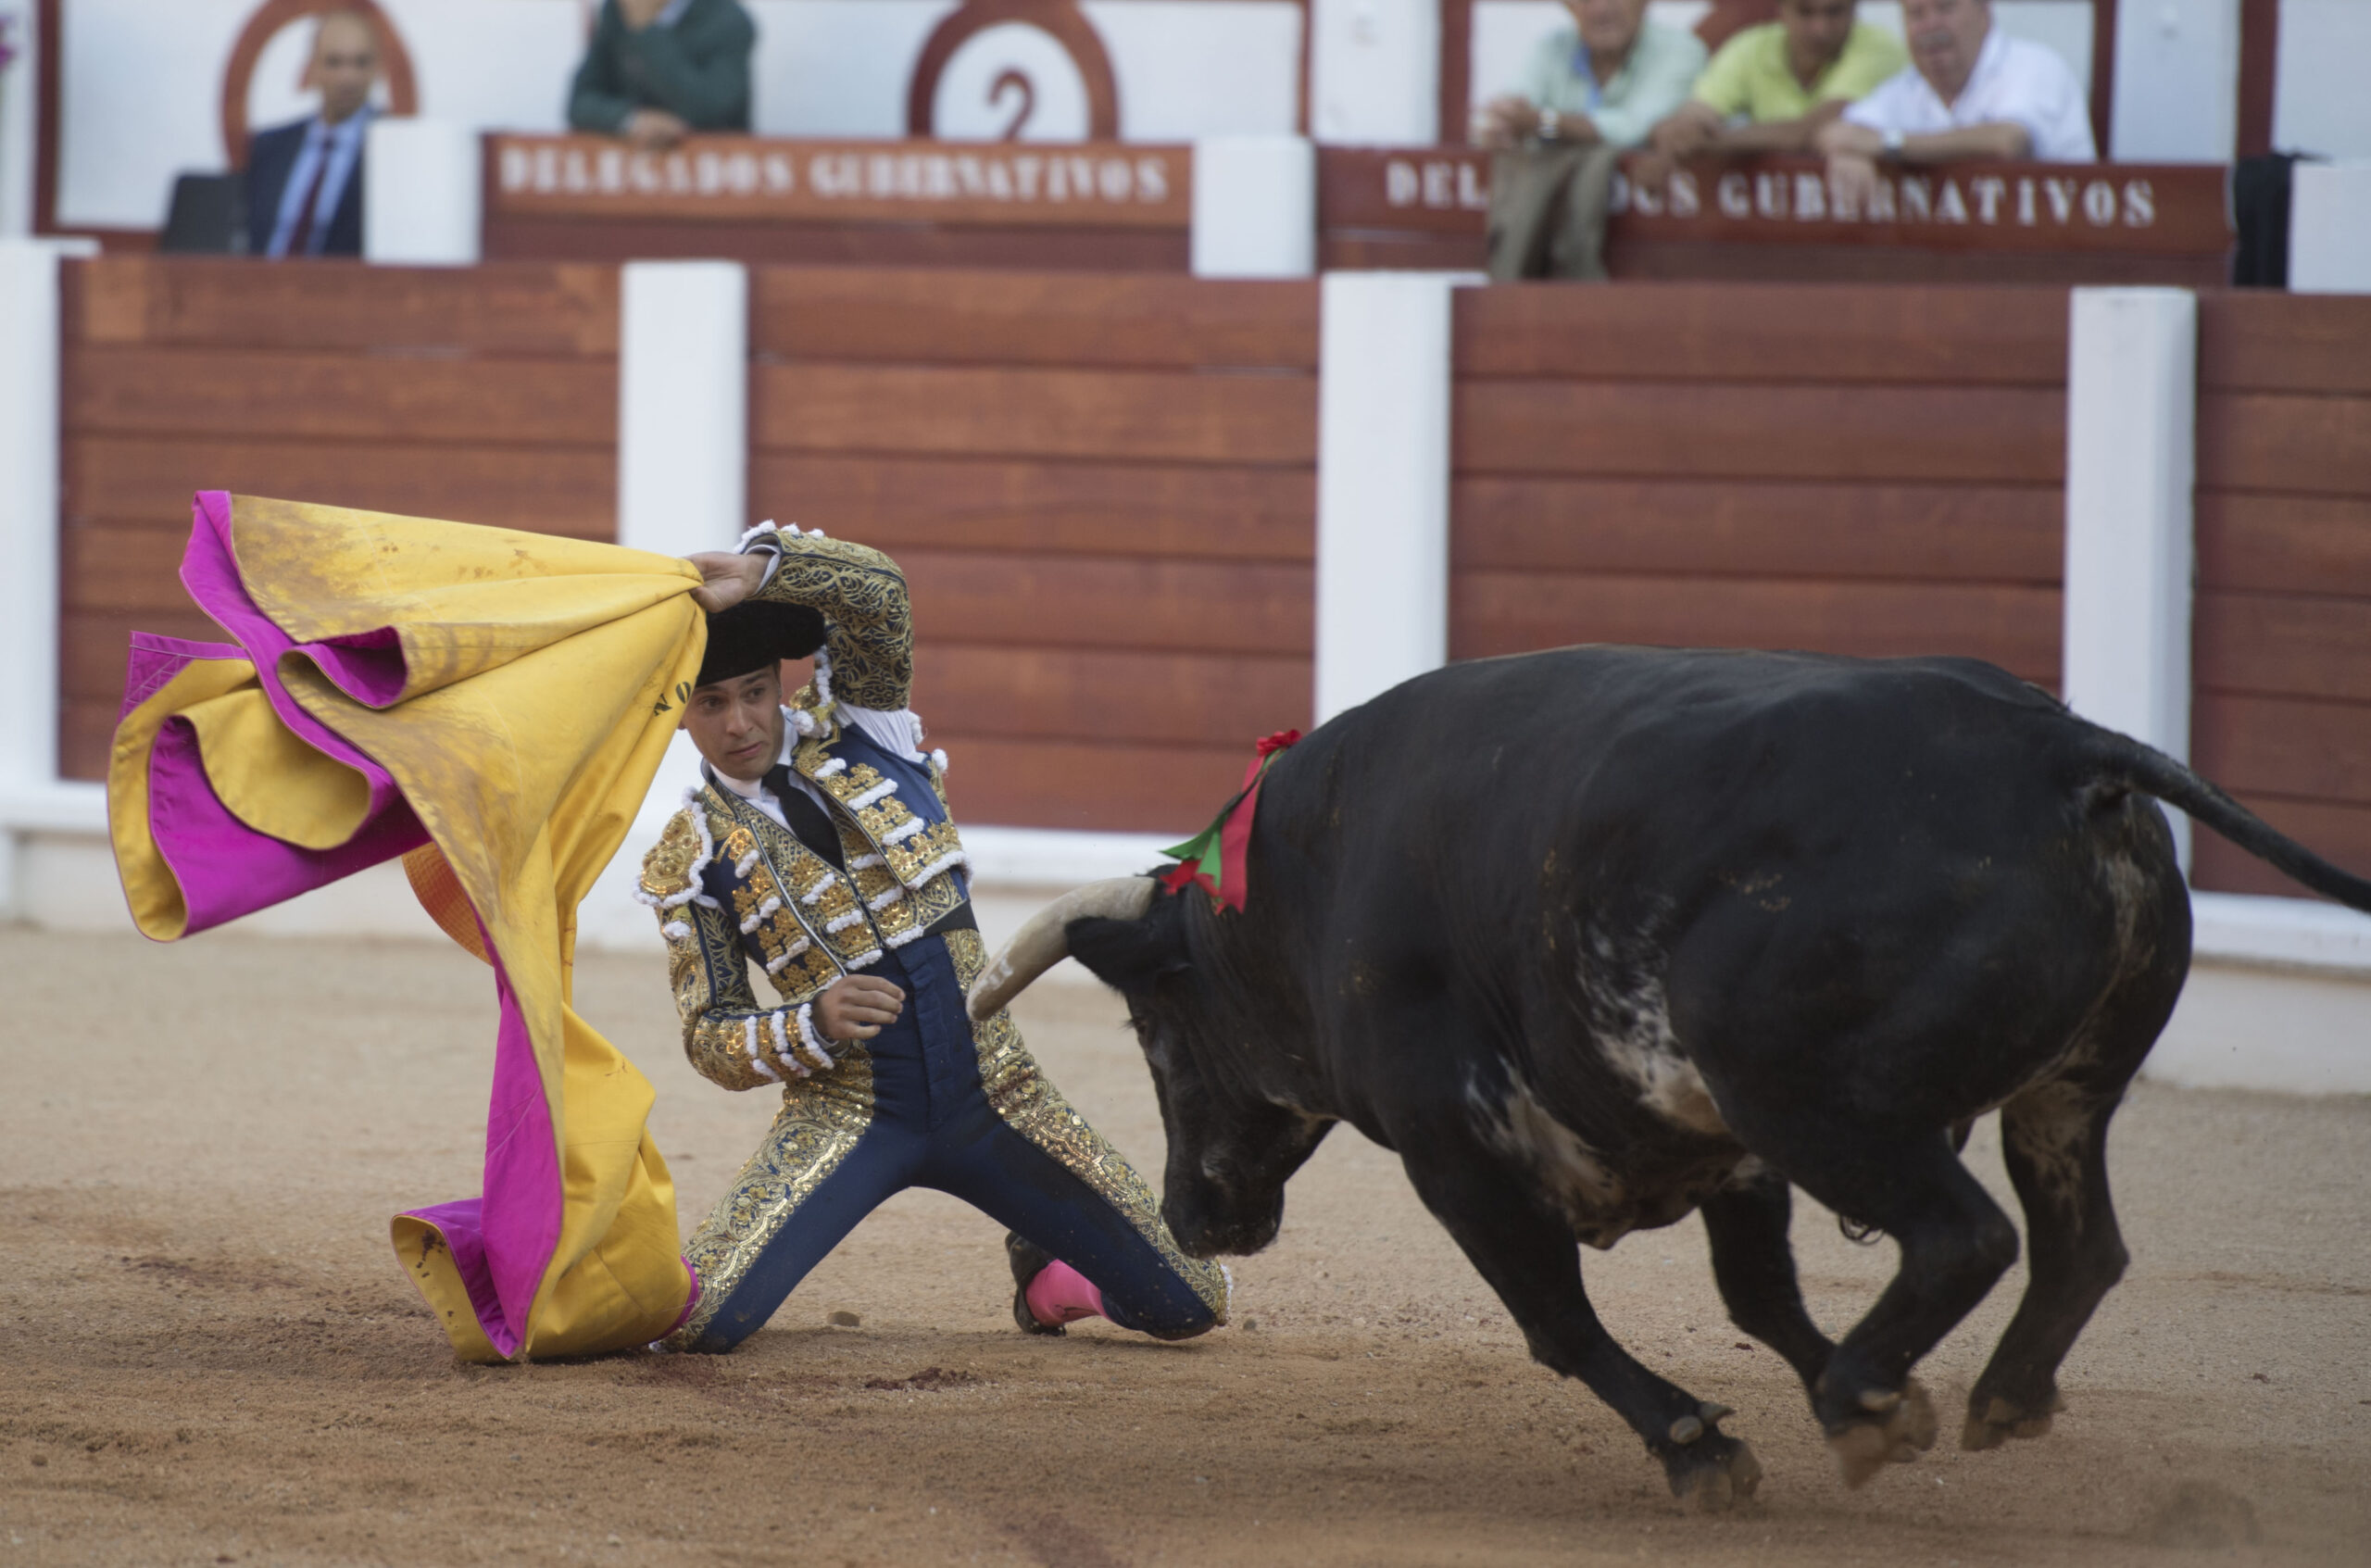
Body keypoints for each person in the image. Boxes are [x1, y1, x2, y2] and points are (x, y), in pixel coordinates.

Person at [644, 525, 1233, 1353]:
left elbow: (880, 596)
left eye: (753, 691)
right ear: (680, 716)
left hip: (998, 1091)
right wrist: (810, 1021)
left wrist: (765, 569)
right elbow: (711, 1037)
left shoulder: (867, 732)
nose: (740, 721)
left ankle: (1048, 1276)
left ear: (780, 686)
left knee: (1191, 1300)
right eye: (711, 703)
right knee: (696, 1324)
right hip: (851, 1114)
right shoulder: (691, 855)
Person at [1474, 0, 1705, 281]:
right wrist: (1503, 124)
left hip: (1665, 259)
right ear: (1569, 7)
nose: (1601, 9)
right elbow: (1506, 115)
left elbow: (1633, 128)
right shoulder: (1551, 49)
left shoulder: (1680, 51)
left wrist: (1542, 124)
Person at [1816, 0, 2093, 207]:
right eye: (1916, 14)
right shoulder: (1907, 86)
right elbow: (1836, 133)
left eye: (1945, 8)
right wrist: (1849, 152)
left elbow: (2005, 142)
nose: (1930, 26)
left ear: (1984, 10)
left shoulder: (2034, 66)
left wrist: (1886, 144)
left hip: (2052, 260)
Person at [1647, 0, 1906, 160]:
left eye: (1834, 11)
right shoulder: (1750, 46)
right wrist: (1682, 130)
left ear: (1854, 9)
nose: (1820, 28)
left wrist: (1708, 142)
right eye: (1806, 12)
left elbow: (1807, 132)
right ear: (1781, 9)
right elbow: (1700, 110)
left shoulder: (1878, 49)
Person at [245, 9, 380, 258]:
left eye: (360, 62)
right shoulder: (269, 148)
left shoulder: (392, 152)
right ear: (312, 67)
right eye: (334, 62)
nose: (347, 77)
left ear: (376, 69)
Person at [568, 0, 755, 152]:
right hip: (634, 180)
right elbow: (580, 102)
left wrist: (647, 29)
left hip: (712, 180)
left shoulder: (729, 19)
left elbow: (709, 112)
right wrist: (630, 120)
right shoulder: (616, 11)